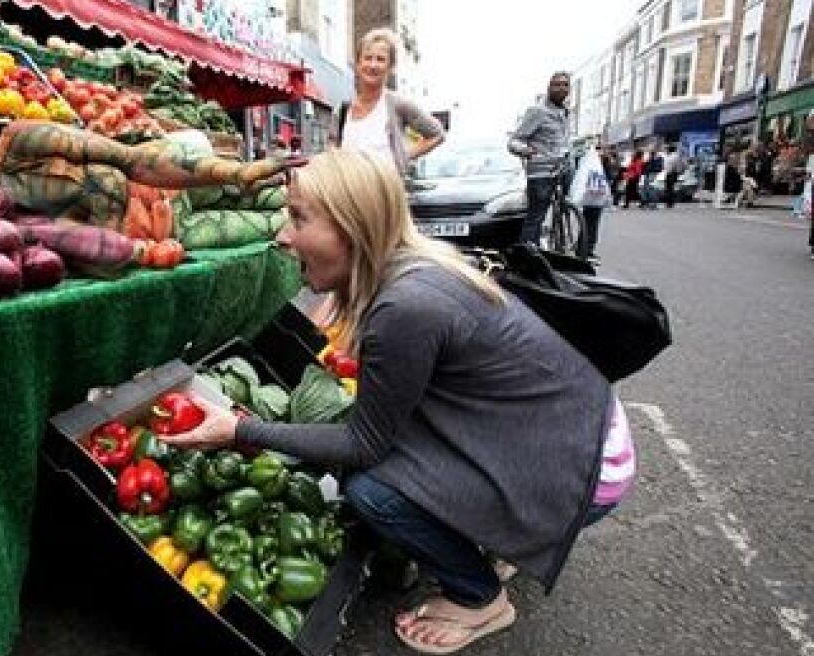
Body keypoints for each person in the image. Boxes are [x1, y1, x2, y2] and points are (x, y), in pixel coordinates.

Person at [160, 149, 636, 655]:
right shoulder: (415, 269)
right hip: (577, 438)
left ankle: (481, 599)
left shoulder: (404, 306)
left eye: (298, 217)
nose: (281, 234)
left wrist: (239, 429)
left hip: (587, 472)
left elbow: (363, 444)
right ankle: (501, 534)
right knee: (399, 459)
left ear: (352, 226)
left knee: (373, 489)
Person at [337, 27, 445, 174]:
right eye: (367, 58)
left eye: (380, 59)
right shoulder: (343, 110)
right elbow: (332, 152)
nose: (373, 65)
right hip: (347, 195)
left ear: (390, 66)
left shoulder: (397, 104)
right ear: (358, 63)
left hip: (387, 193)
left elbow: (437, 134)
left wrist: (401, 156)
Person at [508, 72, 572, 245]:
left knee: (566, 207)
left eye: (565, 85)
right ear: (549, 87)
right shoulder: (537, 111)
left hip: (561, 168)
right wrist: (527, 151)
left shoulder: (565, 112)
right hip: (541, 172)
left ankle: (562, 245)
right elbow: (514, 141)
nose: (562, 88)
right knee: (536, 217)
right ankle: (527, 254)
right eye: (557, 84)